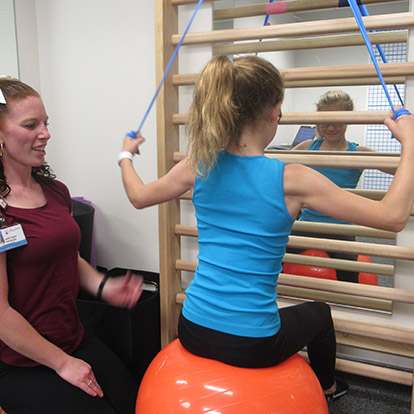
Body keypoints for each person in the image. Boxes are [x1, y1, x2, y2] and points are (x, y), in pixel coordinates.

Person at [119, 56, 414, 402]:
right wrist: (409, 143)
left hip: (191, 327)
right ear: (273, 112)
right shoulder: (291, 178)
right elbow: (393, 216)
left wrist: (125, 155)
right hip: (253, 344)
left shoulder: (198, 164)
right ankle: (329, 388)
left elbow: (138, 197)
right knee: (319, 313)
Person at [0, 77, 143, 414]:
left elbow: (68, 257)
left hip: (73, 339)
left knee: (138, 403)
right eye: (31, 124)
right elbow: (0, 314)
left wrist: (102, 285)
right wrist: (63, 364)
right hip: (22, 360)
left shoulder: (54, 191)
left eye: (46, 123)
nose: (45, 133)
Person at [288, 90, 394, 282]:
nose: (330, 128)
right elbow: (275, 167)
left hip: (340, 228)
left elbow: (400, 169)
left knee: (348, 274)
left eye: (337, 122)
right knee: (274, 254)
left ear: (348, 120)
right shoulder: (307, 147)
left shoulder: (359, 153)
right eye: (324, 122)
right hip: (308, 224)